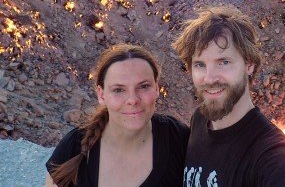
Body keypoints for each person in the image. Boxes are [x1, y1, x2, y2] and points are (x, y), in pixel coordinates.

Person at [172, 6, 285, 186]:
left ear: (249, 65)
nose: (209, 78)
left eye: (223, 62)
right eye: (200, 64)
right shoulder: (199, 119)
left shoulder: (276, 159)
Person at [45, 44, 189, 187]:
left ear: (157, 88)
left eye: (144, 86)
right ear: (101, 95)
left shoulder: (178, 139)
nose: (132, 100)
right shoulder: (74, 147)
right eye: (119, 90)